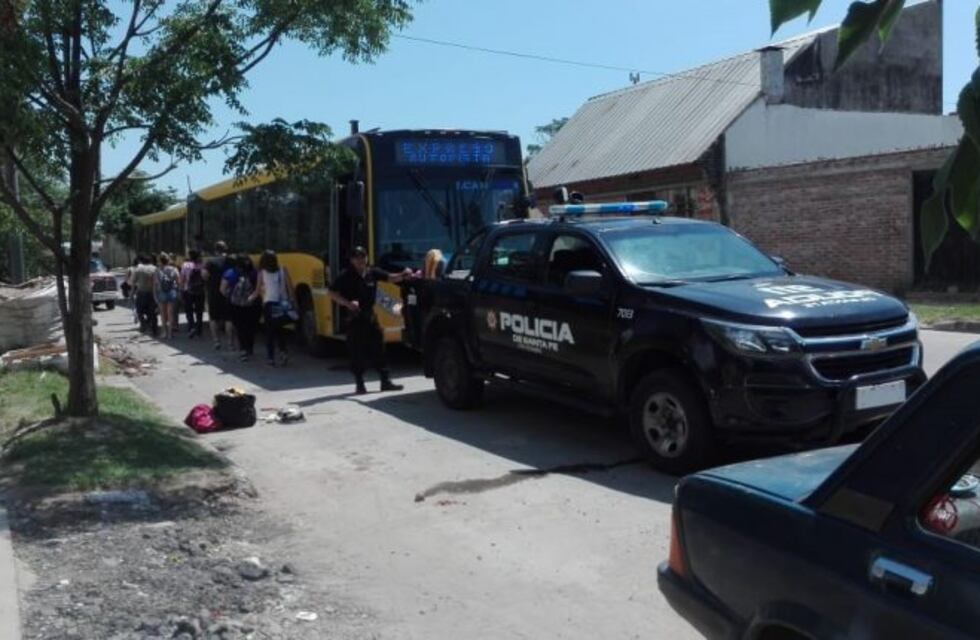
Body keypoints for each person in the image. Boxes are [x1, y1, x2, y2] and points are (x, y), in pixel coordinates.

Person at [328, 246, 414, 394]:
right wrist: (348, 303)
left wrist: (403, 274)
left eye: (363, 256)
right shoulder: (346, 275)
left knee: (379, 348)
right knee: (357, 351)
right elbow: (331, 293)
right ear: (352, 260)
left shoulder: (372, 272)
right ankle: (360, 384)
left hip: (371, 316)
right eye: (357, 257)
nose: (361, 259)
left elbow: (390, 278)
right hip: (355, 318)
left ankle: (385, 381)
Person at [257, 250, 295, 367]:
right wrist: (293, 302)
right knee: (280, 330)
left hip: (269, 305)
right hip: (282, 304)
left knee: (270, 332)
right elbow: (290, 289)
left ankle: (271, 358)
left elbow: (258, 290)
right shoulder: (283, 270)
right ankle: (283, 353)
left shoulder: (261, 273)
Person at [222, 255, 261, 362]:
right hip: (252, 304)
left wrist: (232, 297)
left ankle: (243, 350)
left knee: (240, 328)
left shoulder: (230, 272)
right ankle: (250, 348)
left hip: (235, 305)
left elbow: (222, 289)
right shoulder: (255, 272)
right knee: (250, 327)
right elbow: (259, 289)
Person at [204, 241, 235, 350]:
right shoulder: (232, 260)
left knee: (213, 318)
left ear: (215, 250)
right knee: (229, 319)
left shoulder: (210, 262)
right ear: (226, 249)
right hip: (229, 293)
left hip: (214, 293)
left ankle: (216, 341)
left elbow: (204, 275)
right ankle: (230, 343)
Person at [180, 249, 207, 338]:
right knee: (199, 311)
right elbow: (205, 278)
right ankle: (199, 330)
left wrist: (181, 289)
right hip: (200, 291)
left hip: (188, 291)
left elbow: (182, 279)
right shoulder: (203, 265)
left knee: (189, 310)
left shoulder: (185, 265)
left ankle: (191, 327)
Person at [154, 252, 180, 339]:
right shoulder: (174, 269)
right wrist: (178, 291)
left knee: (163, 314)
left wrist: (155, 294)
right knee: (171, 314)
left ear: (160, 261)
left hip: (162, 293)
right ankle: (170, 334)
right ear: (168, 260)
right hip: (172, 292)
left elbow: (156, 283)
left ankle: (164, 332)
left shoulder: (157, 270)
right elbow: (178, 281)